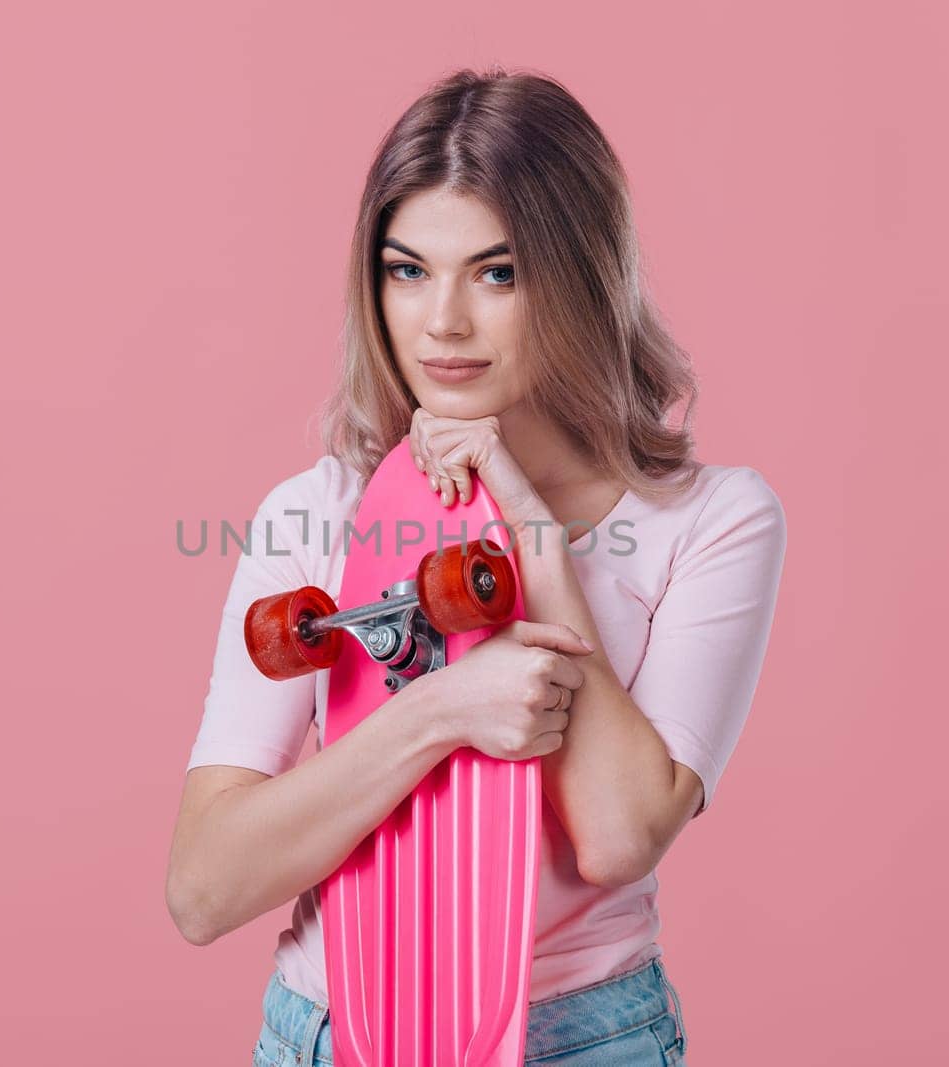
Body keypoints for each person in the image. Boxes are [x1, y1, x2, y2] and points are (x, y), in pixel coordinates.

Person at [166, 65, 787, 1066]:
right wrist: (443, 708)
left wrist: (531, 530)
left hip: (583, 1038)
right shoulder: (315, 514)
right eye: (407, 268)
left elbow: (620, 835)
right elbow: (204, 889)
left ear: (580, 278)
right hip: (334, 1032)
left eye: (496, 272)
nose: (442, 322)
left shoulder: (710, 522)